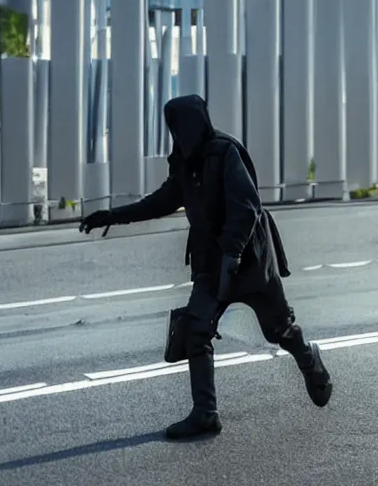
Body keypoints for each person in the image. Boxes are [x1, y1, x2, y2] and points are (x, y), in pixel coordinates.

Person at [79, 94, 333, 440]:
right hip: (212, 262)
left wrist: (233, 254)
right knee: (196, 330)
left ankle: (309, 360)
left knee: (279, 330)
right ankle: (205, 413)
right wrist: (112, 216)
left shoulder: (224, 152)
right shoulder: (184, 161)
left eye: (180, 125)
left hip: (252, 259)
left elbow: (247, 206)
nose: (177, 133)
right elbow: (165, 200)